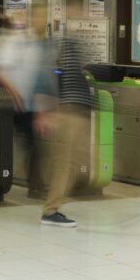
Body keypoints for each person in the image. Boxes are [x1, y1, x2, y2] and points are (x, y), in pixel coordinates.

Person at [0, 13, 50, 198]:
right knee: (2, 142)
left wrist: (41, 109)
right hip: (7, 102)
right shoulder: (5, 42)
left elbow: (39, 76)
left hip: (27, 104)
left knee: (33, 145)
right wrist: (13, 91)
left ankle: (36, 185)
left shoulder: (33, 44)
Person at [38, 35, 95, 228]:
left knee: (79, 162)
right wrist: (45, 112)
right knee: (64, 163)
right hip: (67, 111)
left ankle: (54, 200)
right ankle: (50, 210)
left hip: (78, 111)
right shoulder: (62, 46)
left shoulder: (74, 46)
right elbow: (47, 78)